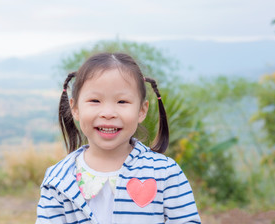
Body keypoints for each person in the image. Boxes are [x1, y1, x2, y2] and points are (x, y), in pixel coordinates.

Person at [36, 52, 201, 224]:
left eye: (122, 102)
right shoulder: (58, 180)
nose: (108, 113)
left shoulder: (165, 173)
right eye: (95, 100)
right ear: (75, 108)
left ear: (142, 111)